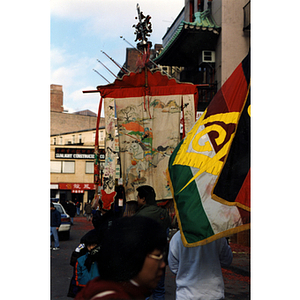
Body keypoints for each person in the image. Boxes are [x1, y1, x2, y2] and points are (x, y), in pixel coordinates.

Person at [75, 216, 167, 300]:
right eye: (158, 255)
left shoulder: (126, 291)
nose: (163, 264)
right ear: (134, 257)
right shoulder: (112, 296)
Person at [168, 230, 233, 300]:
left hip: (186, 294)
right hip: (213, 293)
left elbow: (173, 267)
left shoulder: (177, 237)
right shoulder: (217, 235)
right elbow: (227, 260)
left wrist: (186, 271)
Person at [134, 185, 171, 300]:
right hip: (160, 258)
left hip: (144, 261)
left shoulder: (139, 216)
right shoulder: (163, 214)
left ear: (143, 199)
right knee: (159, 290)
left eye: (138, 197)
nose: (137, 200)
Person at [68, 231, 101, 298]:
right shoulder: (81, 259)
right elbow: (77, 274)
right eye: (90, 246)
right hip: (83, 286)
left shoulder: (102, 259)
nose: (91, 248)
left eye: (93, 246)